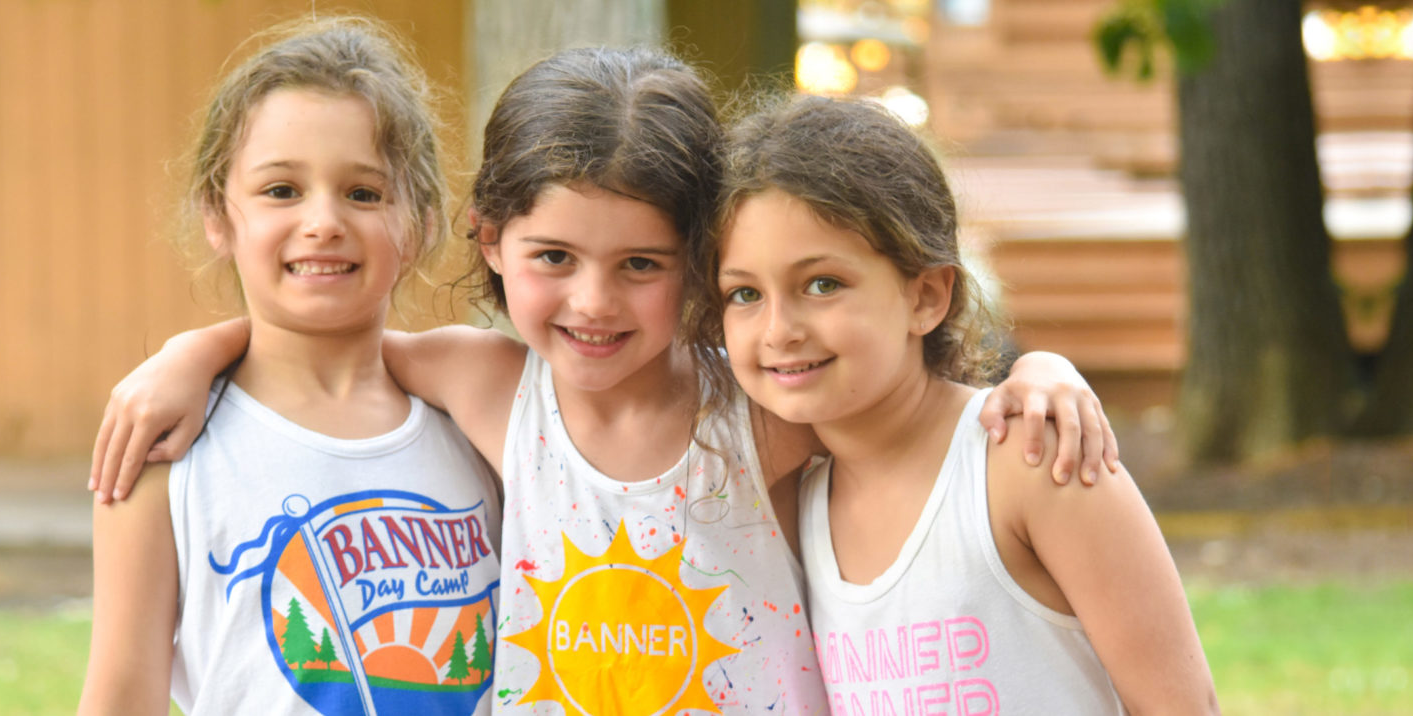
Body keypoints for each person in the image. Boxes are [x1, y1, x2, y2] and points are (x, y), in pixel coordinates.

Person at [85, 47, 1119, 714]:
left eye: (642, 264)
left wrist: (1039, 369)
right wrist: (192, 354)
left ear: (699, 262)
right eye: (552, 260)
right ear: (490, 241)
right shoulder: (491, 386)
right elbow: (323, 344)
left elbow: (905, 400)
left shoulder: (758, 407)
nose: (594, 303)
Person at [697, 95, 1219, 714]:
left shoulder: (1030, 460)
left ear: (926, 297)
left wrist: (1044, 365)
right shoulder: (794, 492)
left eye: (823, 284)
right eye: (745, 293)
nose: (779, 329)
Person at [77, 17, 501, 715]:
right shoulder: (165, 446)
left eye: (365, 193)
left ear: (421, 223)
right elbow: (123, 696)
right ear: (219, 214)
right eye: (281, 191)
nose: (324, 221)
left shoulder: (474, 423)